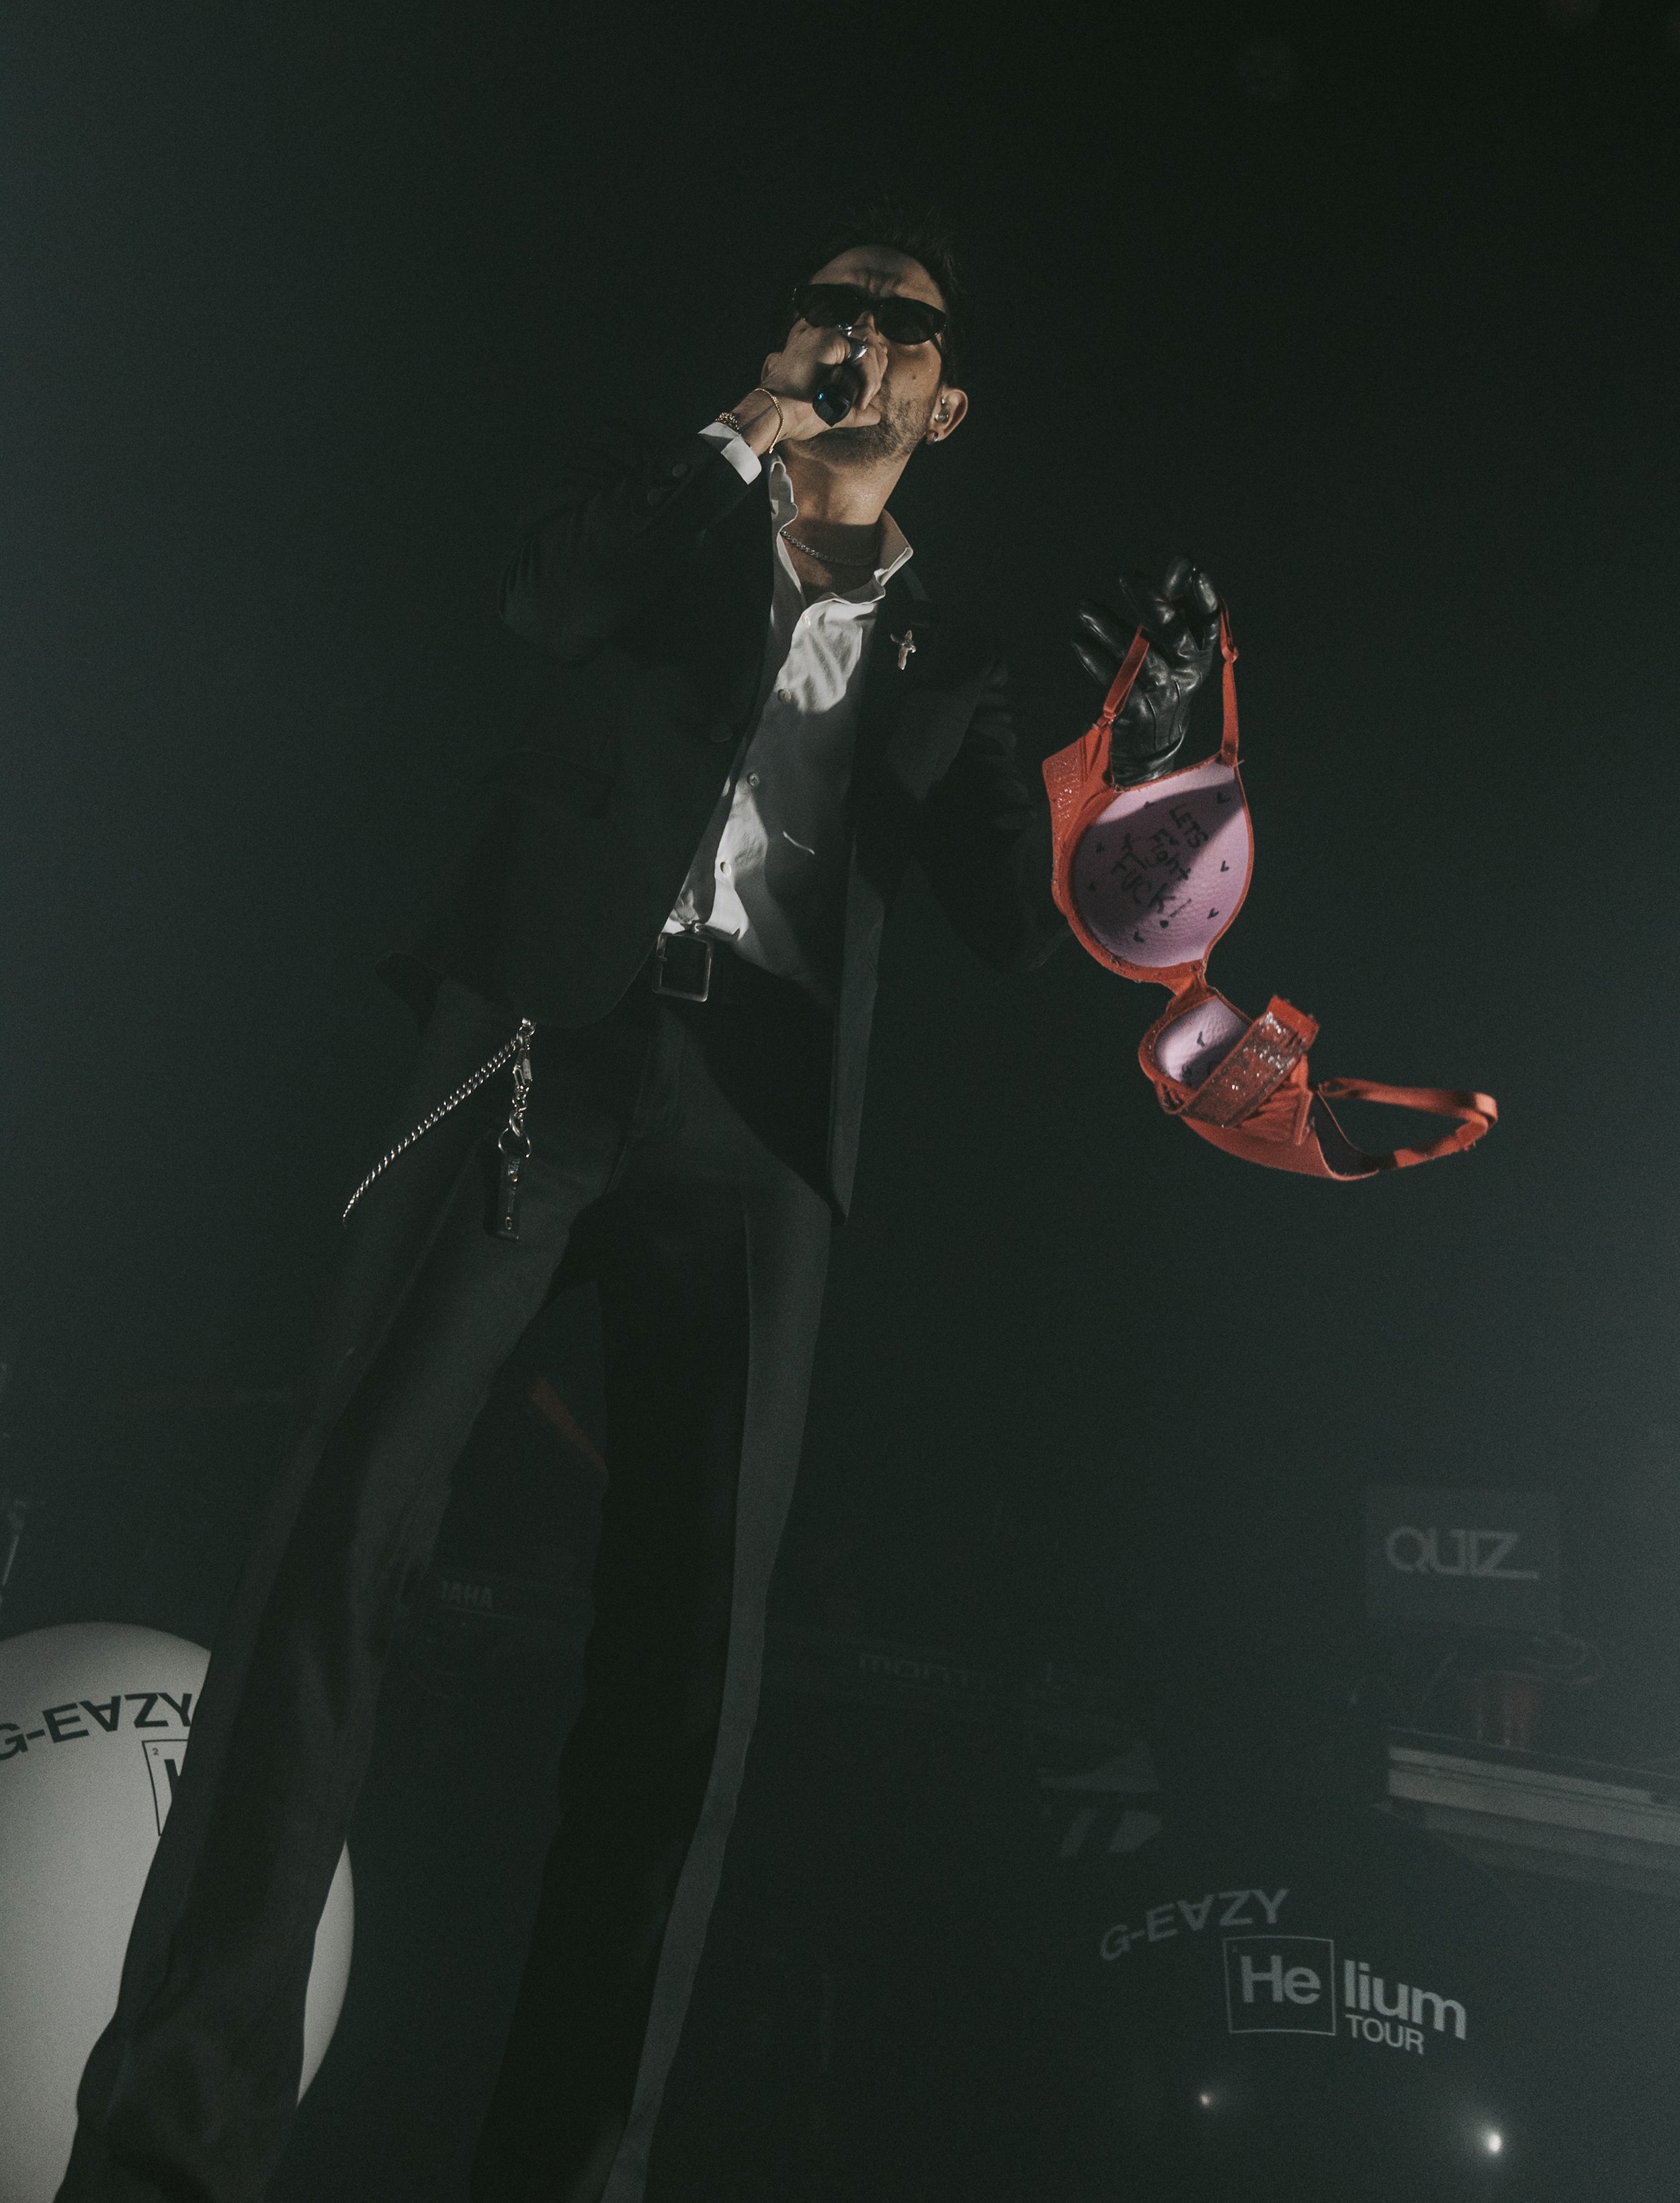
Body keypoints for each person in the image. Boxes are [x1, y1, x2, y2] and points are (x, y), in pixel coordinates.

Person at [56, 202, 1221, 2203]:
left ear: (947, 406)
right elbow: (543, 601)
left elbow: (1023, 924)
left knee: (688, 1683)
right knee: (339, 1541)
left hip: (754, 1132)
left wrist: (1156, 731)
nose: (859, 336)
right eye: (829, 307)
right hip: (541, 1041)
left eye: (901, 325)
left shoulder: (944, 654)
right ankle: (169, 2150)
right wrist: (743, 428)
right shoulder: (666, 521)